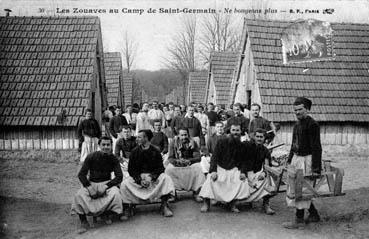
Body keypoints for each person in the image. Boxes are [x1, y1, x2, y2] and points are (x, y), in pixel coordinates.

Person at [283, 97, 322, 229]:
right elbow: (293, 145)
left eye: (300, 109)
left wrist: (316, 168)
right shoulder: (296, 125)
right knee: (294, 188)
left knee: (303, 189)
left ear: (307, 109)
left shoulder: (313, 125)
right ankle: (314, 214)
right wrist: (288, 161)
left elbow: (317, 147)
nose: (298, 112)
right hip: (296, 159)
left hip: (307, 160)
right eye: (295, 110)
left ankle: (299, 220)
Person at [71, 136, 124, 233]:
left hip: (107, 183)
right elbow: (81, 174)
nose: (106, 147)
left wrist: (106, 186)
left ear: (111, 146)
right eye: (103, 144)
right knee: (79, 195)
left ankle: (107, 213)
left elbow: (119, 176)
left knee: (116, 194)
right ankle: (83, 221)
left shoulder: (113, 159)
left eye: (108, 145)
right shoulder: (91, 156)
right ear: (99, 145)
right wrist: (89, 187)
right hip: (92, 184)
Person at [120, 130, 175, 217]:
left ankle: (164, 205)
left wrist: (152, 177)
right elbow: (131, 170)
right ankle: (128, 207)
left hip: (152, 177)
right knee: (124, 184)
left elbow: (160, 168)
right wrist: (139, 180)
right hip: (139, 177)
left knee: (166, 179)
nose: (137, 139)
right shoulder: (134, 151)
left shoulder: (155, 151)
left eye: (139, 137)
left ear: (146, 138)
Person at [199, 124, 252, 213]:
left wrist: (243, 172)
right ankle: (206, 203)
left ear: (240, 132)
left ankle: (232, 204)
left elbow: (244, 161)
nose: (235, 132)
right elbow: (214, 157)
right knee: (211, 179)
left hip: (233, 168)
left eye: (237, 130)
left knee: (241, 180)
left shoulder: (242, 145)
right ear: (230, 131)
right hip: (221, 167)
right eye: (233, 130)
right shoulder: (222, 142)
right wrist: (213, 171)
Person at [165, 128, 205, 202]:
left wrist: (188, 160)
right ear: (178, 135)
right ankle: (172, 194)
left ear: (188, 135)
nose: (184, 137)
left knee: (198, 168)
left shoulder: (193, 142)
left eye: (185, 135)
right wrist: (178, 161)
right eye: (182, 135)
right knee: (168, 170)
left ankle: (197, 192)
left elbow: (198, 158)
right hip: (177, 163)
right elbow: (170, 158)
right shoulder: (173, 143)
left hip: (189, 163)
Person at [245, 128, 276, 215]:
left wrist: (264, 173)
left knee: (268, 180)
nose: (259, 139)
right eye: (257, 136)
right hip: (246, 173)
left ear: (264, 138)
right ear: (254, 137)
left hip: (258, 173)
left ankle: (266, 204)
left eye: (261, 137)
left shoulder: (265, 151)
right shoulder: (247, 147)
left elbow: (266, 165)